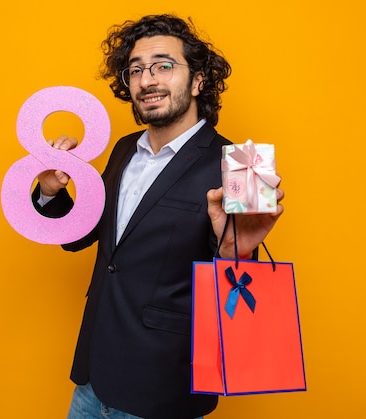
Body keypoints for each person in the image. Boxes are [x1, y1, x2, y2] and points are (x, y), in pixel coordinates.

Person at [32, 14, 284, 419]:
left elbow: (242, 296)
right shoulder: (123, 149)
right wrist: (49, 190)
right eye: (136, 70)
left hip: (164, 393)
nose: (147, 79)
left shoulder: (244, 164)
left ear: (199, 80)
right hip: (92, 383)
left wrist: (237, 254)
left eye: (164, 65)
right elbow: (79, 237)